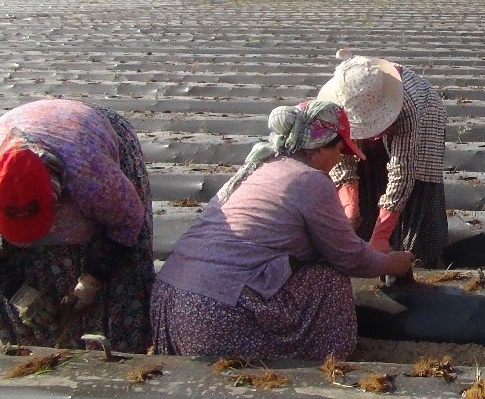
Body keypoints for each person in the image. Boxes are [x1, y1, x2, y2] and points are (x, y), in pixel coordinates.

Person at [152, 100, 414, 360]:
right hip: (214, 316)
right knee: (329, 279)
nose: (339, 161)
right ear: (322, 148)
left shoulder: (260, 166)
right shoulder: (310, 180)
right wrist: (392, 263)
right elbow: (349, 257)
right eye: (340, 151)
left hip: (168, 307)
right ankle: (324, 355)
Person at [0, 99, 154, 353]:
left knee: (121, 275)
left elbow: (127, 223)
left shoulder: (90, 175)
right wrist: (20, 293)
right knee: (30, 291)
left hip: (87, 134)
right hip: (34, 130)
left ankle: (120, 346)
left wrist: (89, 282)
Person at [317, 48, 448, 268]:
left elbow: (402, 172)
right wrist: (350, 204)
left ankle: (415, 258)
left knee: (418, 184)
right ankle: (367, 241)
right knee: (365, 174)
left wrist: (382, 234)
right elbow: (343, 154)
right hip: (364, 109)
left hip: (425, 118)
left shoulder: (408, 107)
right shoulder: (339, 100)